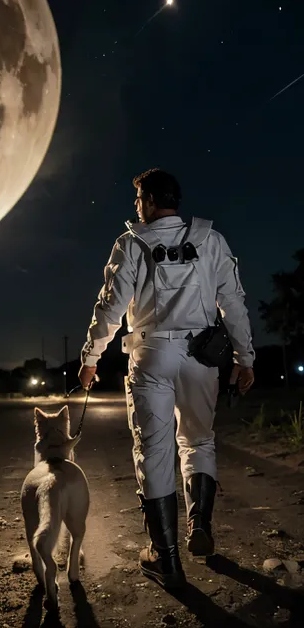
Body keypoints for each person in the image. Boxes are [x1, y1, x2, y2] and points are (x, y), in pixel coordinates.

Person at [78, 168, 254, 589]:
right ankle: (199, 525)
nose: (136, 206)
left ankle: (166, 558)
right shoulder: (212, 240)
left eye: (139, 198)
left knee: (154, 451)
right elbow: (232, 303)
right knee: (198, 440)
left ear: (153, 200)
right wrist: (245, 356)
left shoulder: (130, 243)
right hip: (202, 355)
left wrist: (91, 357)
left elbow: (110, 308)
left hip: (152, 352)